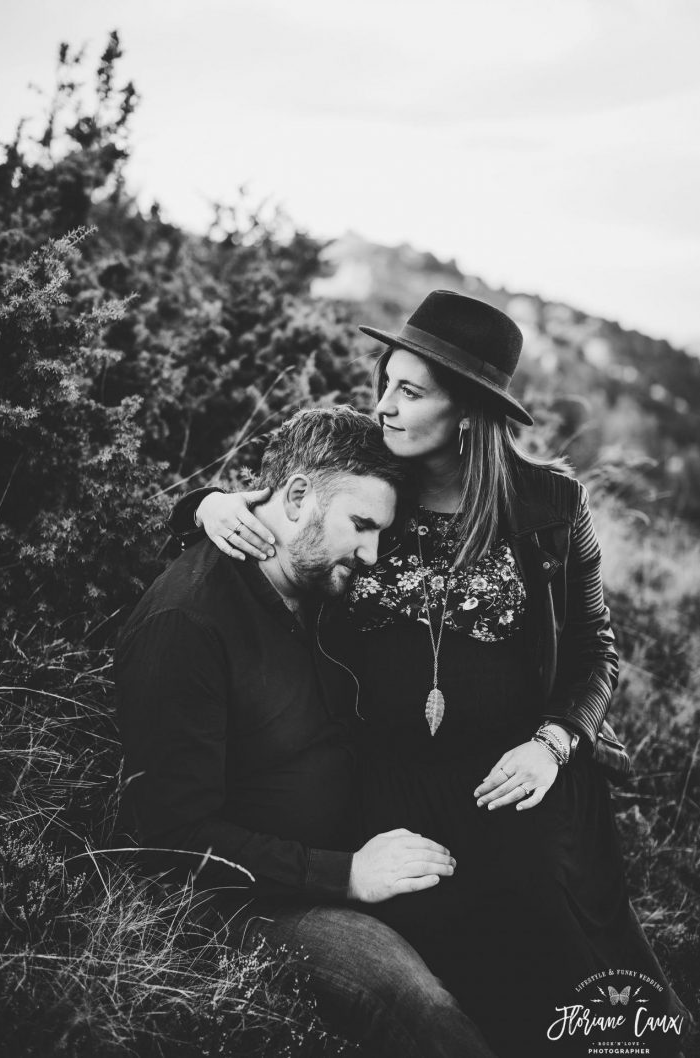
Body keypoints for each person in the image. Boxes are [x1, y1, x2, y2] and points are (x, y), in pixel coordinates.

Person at [174, 291, 689, 1057]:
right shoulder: (373, 480)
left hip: (515, 787)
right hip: (385, 790)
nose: (383, 405)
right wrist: (204, 505)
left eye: (408, 392)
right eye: (384, 382)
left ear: (471, 412)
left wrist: (551, 743)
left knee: (583, 1001)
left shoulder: (549, 506)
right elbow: (279, 508)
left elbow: (595, 654)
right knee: (457, 997)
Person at [115, 405, 500, 1058]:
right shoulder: (190, 625)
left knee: (499, 929)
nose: (374, 553)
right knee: (410, 997)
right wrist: (346, 875)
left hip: (361, 845)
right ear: (295, 496)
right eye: (362, 526)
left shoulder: (321, 583)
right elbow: (172, 842)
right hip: (252, 904)